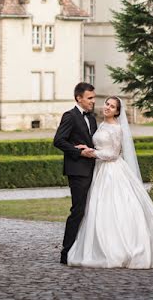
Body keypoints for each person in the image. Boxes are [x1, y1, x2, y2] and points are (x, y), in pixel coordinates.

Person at [66, 96, 153, 269]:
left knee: (117, 208)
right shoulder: (101, 124)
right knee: (98, 209)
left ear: (117, 112)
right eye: (107, 104)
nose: (107, 107)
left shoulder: (117, 128)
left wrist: (91, 152)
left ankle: (123, 249)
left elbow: (113, 154)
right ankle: (101, 247)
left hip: (112, 171)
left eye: (112, 106)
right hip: (100, 171)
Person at [53, 82, 98, 265]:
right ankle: (66, 252)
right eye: (90, 98)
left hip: (94, 170)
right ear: (79, 98)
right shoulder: (70, 116)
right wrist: (78, 152)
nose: (93, 101)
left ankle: (85, 249)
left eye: (93, 98)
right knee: (78, 210)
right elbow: (58, 141)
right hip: (78, 171)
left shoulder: (92, 118)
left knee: (92, 210)